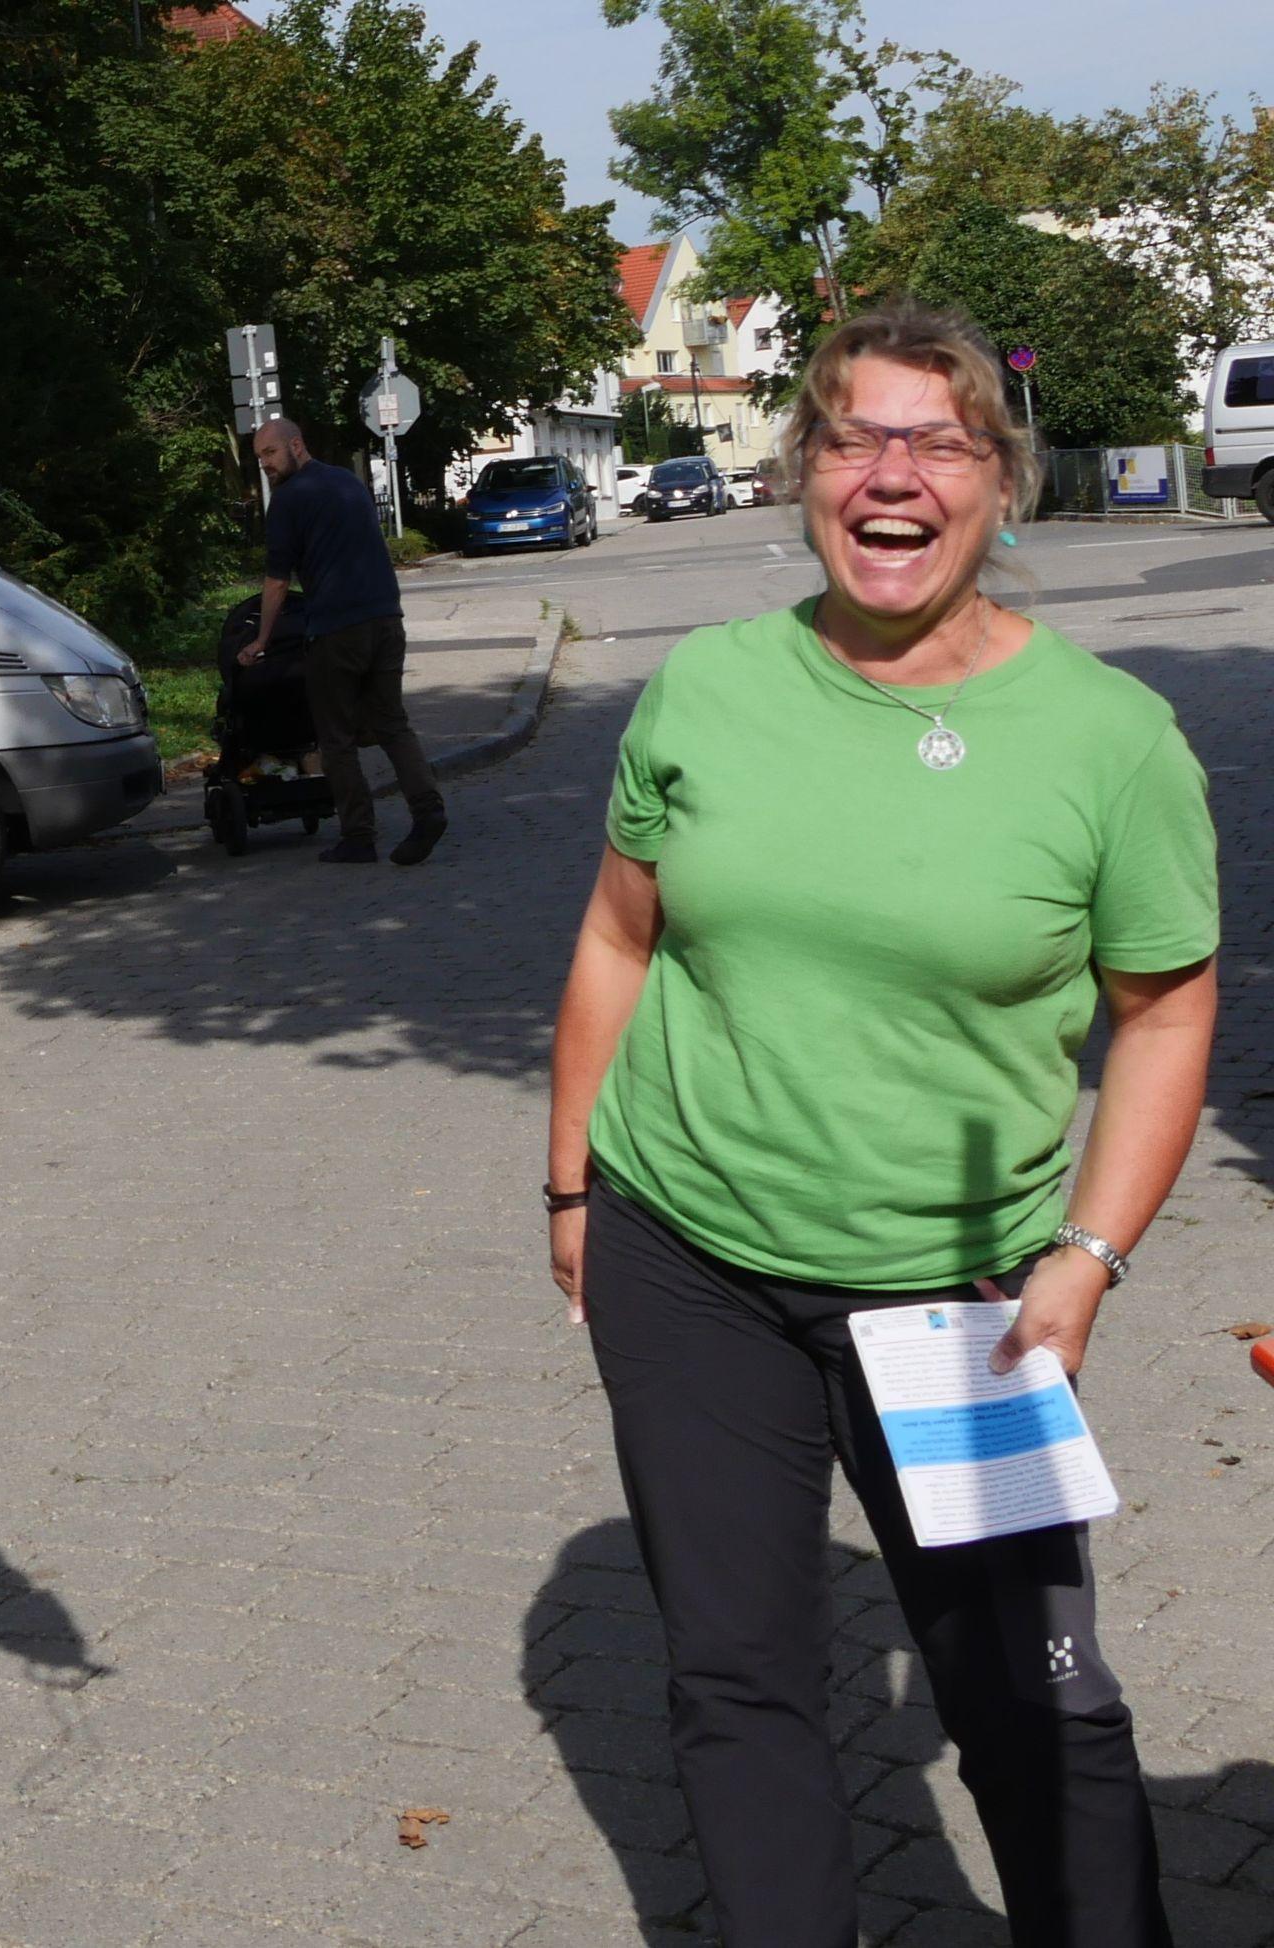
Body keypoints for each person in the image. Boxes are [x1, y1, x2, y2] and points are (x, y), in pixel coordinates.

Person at [545, 300, 1217, 1948]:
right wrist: (570, 1189)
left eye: (937, 440)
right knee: (736, 1676)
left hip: (969, 1300)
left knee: (1033, 1697)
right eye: (853, 437)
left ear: (1001, 482)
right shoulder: (705, 688)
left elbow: (1165, 1008)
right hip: (686, 1256)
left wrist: (1088, 1253)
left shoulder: (1107, 740)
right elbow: (617, 938)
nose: (890, 474)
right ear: (802, 473)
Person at [239, 417, 446, 864]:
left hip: (337, 629)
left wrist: (260, 641)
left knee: (335, 738)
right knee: (392, 723)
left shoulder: (289, 501)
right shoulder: (348, 483)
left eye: (271, 453)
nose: (266, 465)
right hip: (387, 618)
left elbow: (277, 582)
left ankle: (358, 836)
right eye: (260, 458)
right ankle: (428, 810)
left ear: (296, 444)